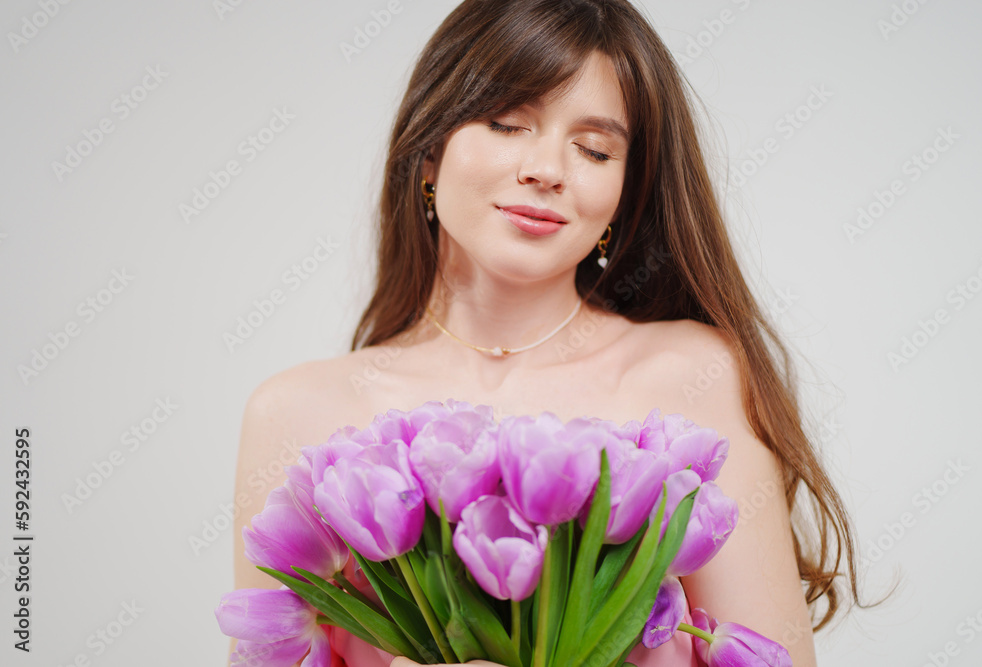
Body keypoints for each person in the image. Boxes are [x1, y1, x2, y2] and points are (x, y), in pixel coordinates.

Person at [229, 1, 887, 665]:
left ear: (622, 195)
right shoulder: (296, 411)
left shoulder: (692, 376)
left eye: (595, 149)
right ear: (428, 152)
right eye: (506, 123)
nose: (547, 169)